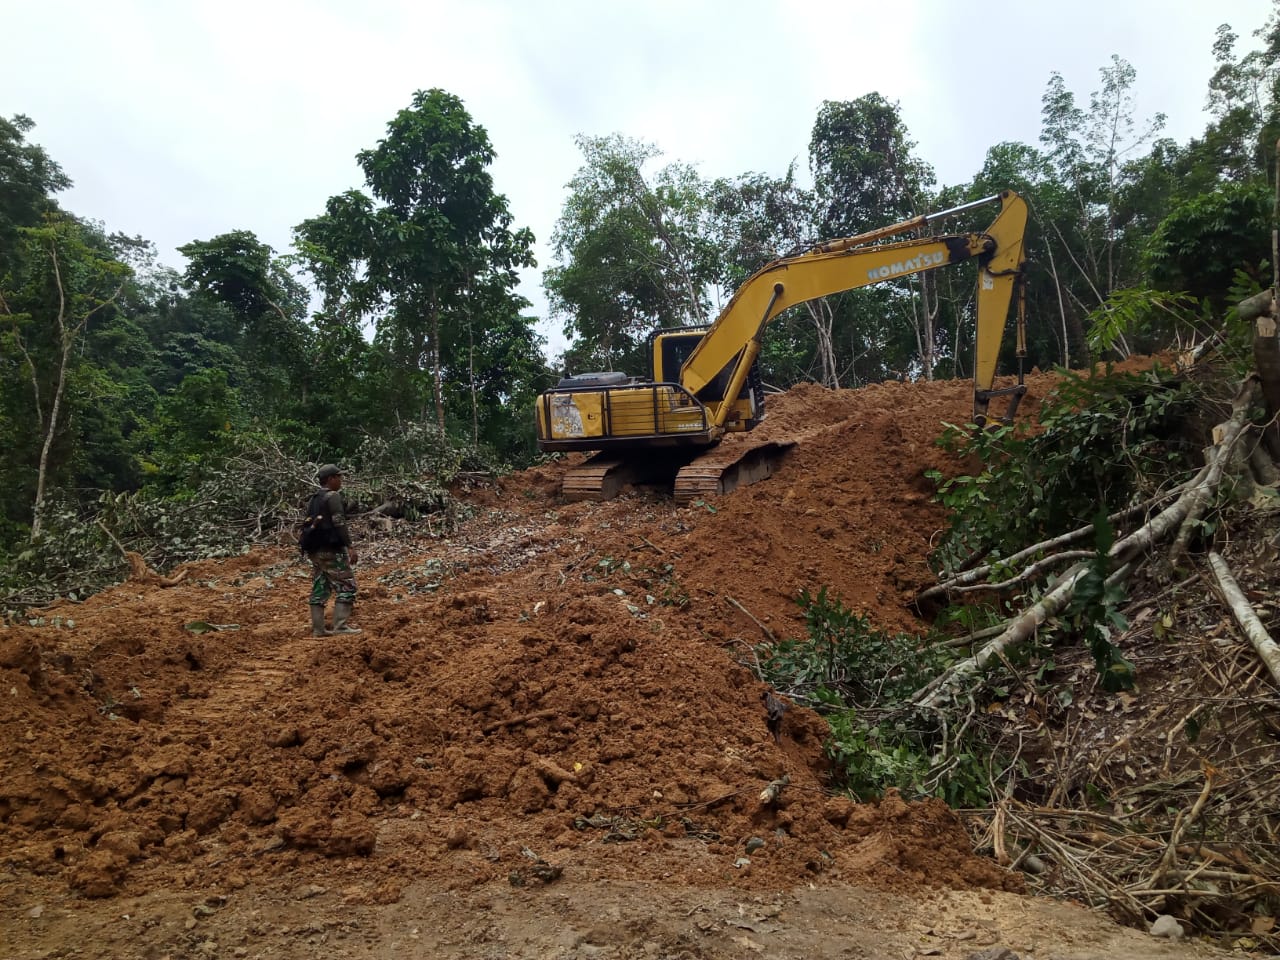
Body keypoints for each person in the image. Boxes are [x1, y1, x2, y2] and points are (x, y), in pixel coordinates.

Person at [303, 463, 361, 636]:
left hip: (315, 551)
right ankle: (340, 626)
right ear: (331, 479)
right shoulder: (333, 496)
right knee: (347, 586)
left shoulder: (314, 499)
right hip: (331, 550)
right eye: (339, 477)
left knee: (320, 586)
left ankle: (318, 629)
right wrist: (350, 546)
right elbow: (339, 522)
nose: (341, 480)